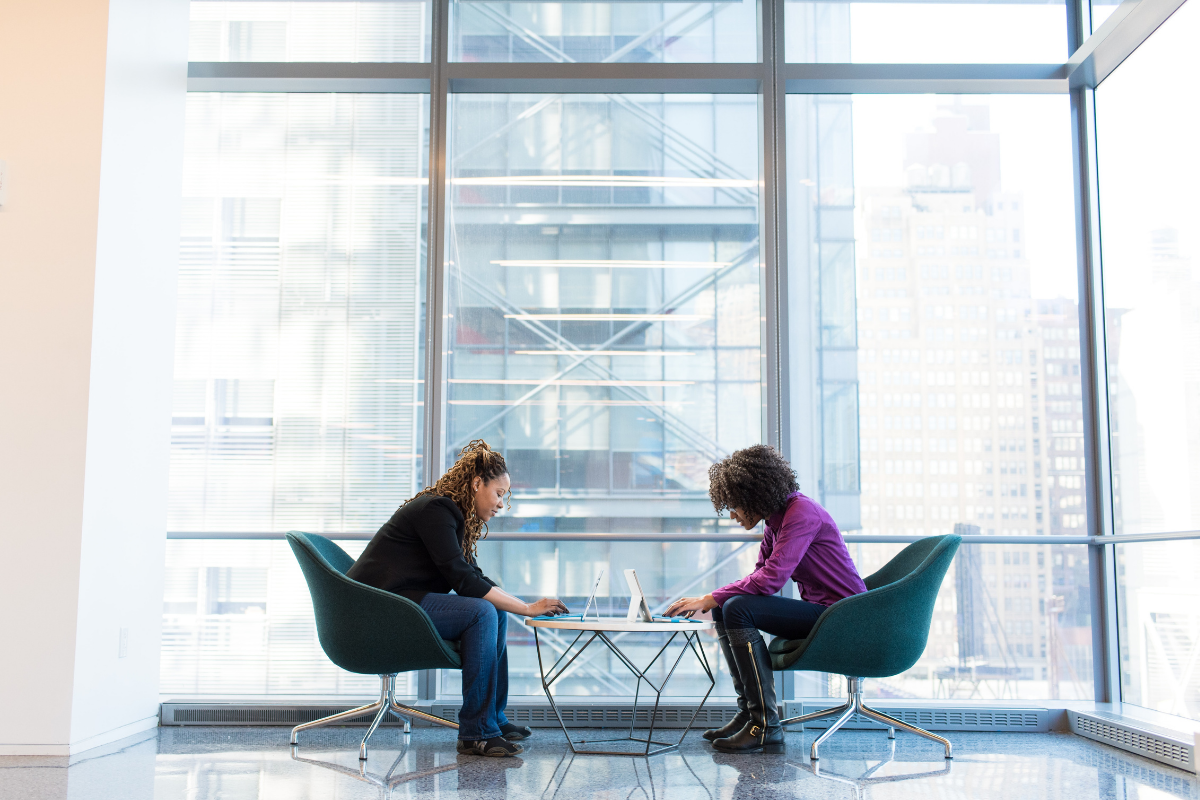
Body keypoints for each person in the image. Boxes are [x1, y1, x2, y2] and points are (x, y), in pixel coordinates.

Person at [347, 440, 568, 758]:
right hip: (378, 607)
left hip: (401, 601)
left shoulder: (450, 514)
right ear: (477, 483)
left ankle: (492, 719)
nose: (501, 504)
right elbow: (464, 583)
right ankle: (477, 733)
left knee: (493, 609)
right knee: (482, 612)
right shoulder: (437, 510)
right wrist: (526, 609)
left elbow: (474, 578)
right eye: (499, 493)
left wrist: (523, 605)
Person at [666, 445, 867, 754]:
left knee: (735, 605)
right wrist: (713, 600)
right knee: (728, 606)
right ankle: (750, 714)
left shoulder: (801, 513)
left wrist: (708, 597)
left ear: (754, 496)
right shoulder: (777, 520)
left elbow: (771, 579)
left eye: (734, 506)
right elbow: (760, 573)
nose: (731, 514)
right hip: (825, 612)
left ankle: (765, 725)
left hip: (844, 616)